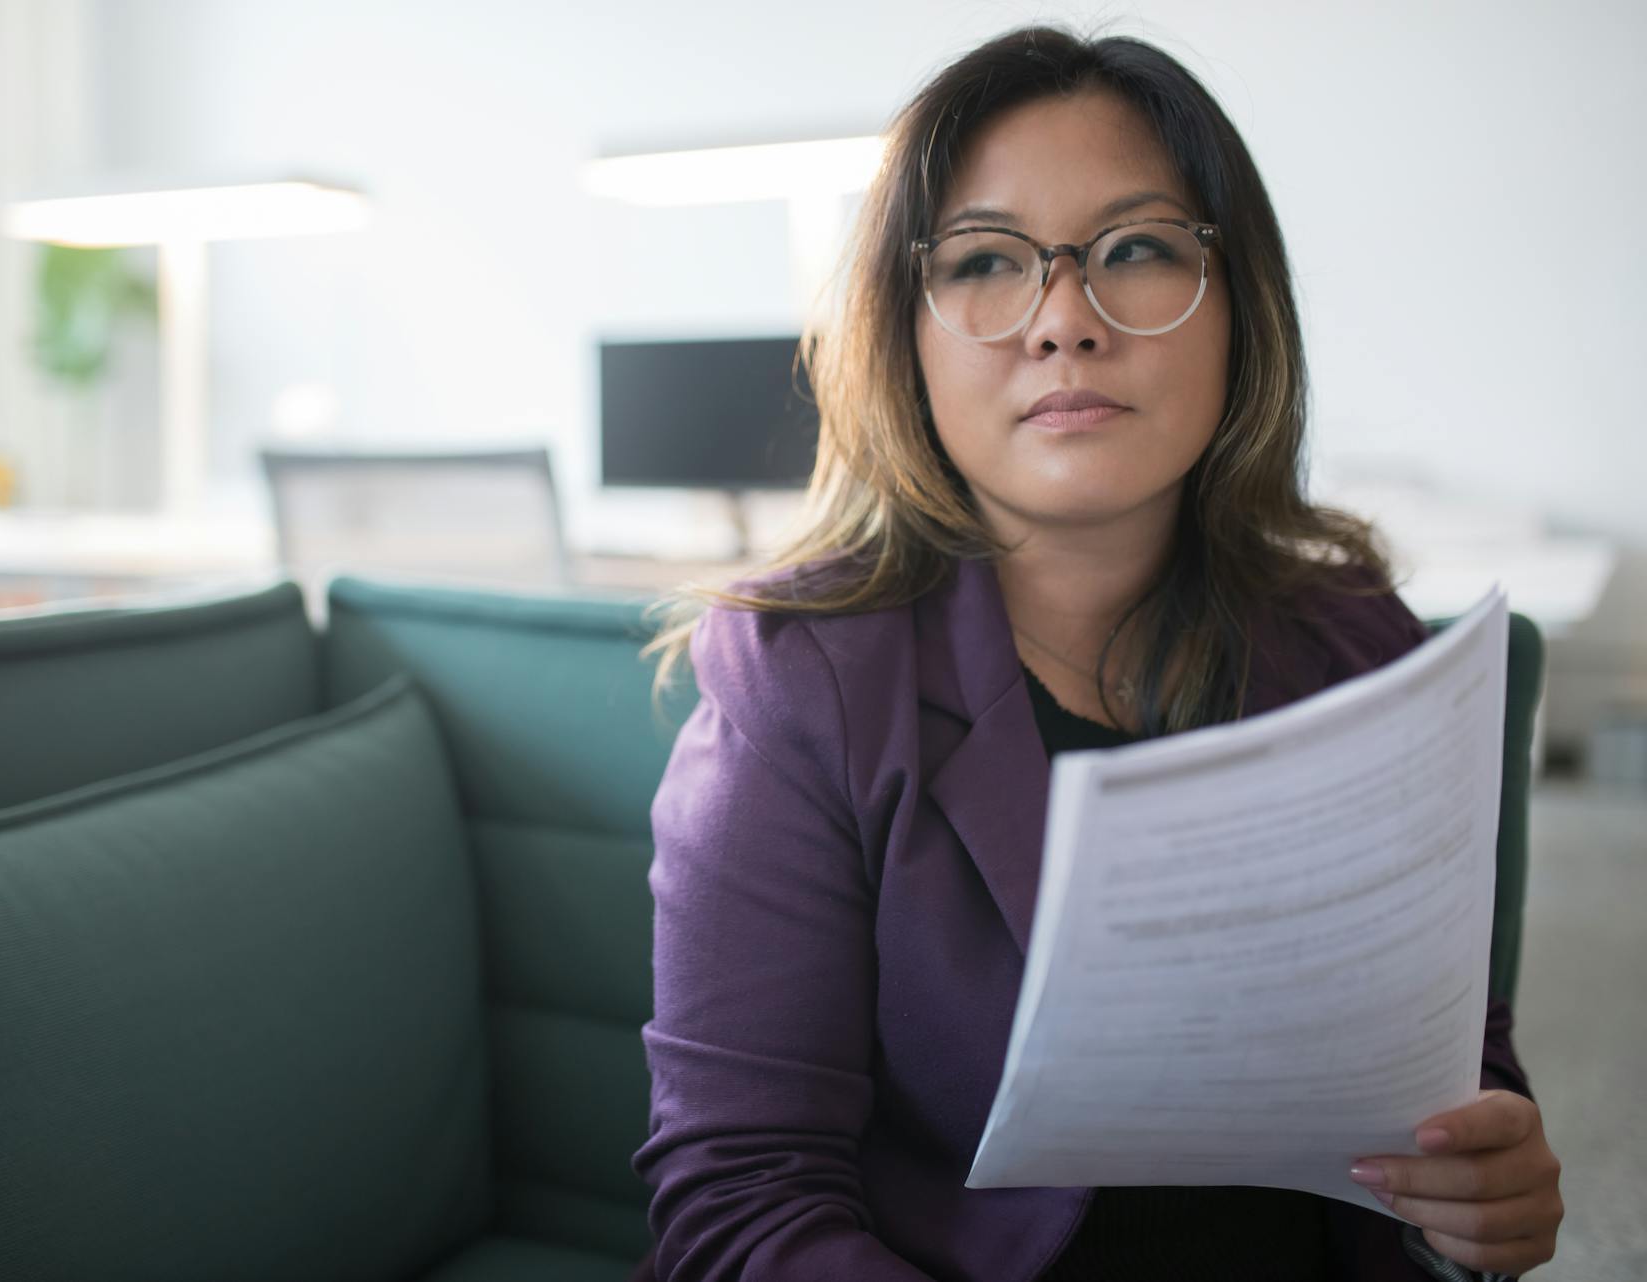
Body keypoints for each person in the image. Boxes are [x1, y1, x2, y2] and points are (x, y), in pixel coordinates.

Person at [629, 23, 1563, 1282]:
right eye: (984, 262)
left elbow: (1452, 1068)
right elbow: (738, 1205)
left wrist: (1480, 1181)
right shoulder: (800, 680)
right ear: (904, 332)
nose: (1063, 320)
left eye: (1136, 249)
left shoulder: (1360, 644)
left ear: (1241, 308)